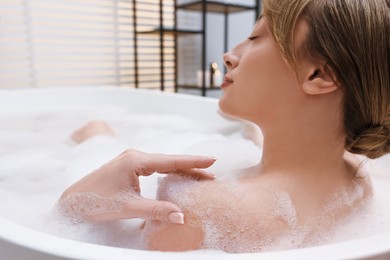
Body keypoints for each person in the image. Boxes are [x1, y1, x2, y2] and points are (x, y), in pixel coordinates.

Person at [59, 0, 390, 253]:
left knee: (97, 132)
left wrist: (74, 203)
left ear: (319, 76)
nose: (230, 55)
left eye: (255, 37)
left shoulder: (204, 207)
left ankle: (95, 132)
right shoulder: (356, 179)